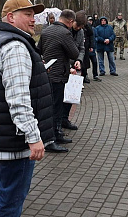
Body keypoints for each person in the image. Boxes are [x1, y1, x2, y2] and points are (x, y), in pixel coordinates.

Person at [0, 0, 54, 215]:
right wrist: (33, 137)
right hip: (14, 143)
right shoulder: (15, 47)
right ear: (11, 17)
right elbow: (18, 100)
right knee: (11, 201)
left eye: (33, 15)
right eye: (27, 15)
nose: (33, 20)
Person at [38, 9, 80, 152]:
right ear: (70, 21)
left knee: (51, 105)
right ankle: (52, 138)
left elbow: (40, 50)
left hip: (48, 73)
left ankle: (56, 134)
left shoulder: (46, 31)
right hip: (59, 74)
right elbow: (74, 52)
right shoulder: (65, 33)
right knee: (56, 107)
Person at [61, 10, 86, 131]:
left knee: (72, 96)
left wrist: (79, 60)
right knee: (60, 96)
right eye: (77, 25)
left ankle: (65, 119)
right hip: (64, 67)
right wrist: (68, 66)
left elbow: (81, 48)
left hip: (75, 67)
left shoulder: (80, 32)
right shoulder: (65, 31)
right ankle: (59, 120)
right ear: (72, 22)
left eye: (81, 27)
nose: (79, 28)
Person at [87, 16, 101, 81]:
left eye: (91, 21)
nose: (90, 22)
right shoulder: (85, 29)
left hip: (92, 49)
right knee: (86, 63)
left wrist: (95, 40)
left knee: (95, 62)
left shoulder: (94, 29)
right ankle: (85, 75)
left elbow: (97, 36)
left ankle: (95, 75)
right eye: (89, 21)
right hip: (86, 49)